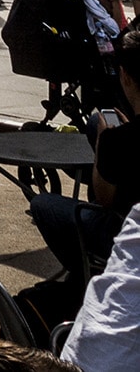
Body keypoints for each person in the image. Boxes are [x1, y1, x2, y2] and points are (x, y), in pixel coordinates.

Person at [27, 26, 140, 283]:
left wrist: (103, 144)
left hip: (126, 230)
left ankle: (85, 275)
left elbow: (104, 199)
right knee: (94, 121)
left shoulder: (118, 140)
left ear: (126, 77)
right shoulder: (123, 137)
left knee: (44, 205)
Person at [60, 198, 140, 372]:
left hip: (78, 360)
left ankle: (75, 286)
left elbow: (104, 192)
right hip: (88, 359)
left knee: (45, 206)